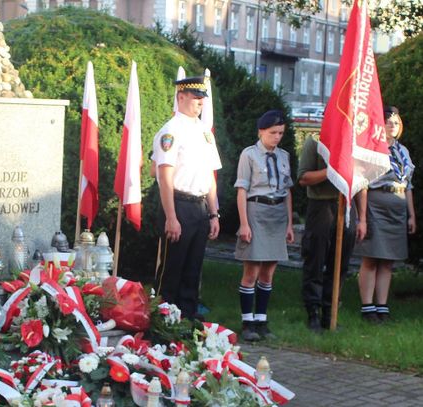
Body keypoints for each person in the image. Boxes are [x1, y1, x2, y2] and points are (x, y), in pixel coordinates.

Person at [153, 76, 222, 320]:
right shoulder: (171, 131)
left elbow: (209, 175)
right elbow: (164, 175)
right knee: (172, 270)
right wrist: (171, 217)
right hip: (179, 204)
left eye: (202, 99)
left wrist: (214, 213)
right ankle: (163, 323)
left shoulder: (205, 132)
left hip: (200, 206)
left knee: (193, 271)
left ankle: (188, 322)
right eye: (196, 98)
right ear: (181, 97)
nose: (200, 103)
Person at [234, 110, 294, 341]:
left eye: (280, 133)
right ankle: (247, 321)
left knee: (268, 271)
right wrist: (244, 224)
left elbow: (287, 190)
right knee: (252, 270)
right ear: (261, 131)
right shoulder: (249, 155)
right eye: (272, 133)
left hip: (277, 214)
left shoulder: (284, 156)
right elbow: (242, 190)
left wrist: (289, 223)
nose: (277, 137)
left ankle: (261, 319)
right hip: (256, 211)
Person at [298, 136, 366, 332]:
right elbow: (304, 177)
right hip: (321, 206)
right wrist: (333, 170)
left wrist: (362, 218)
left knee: (340, 264)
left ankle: (330, 313)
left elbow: (361, 184)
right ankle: (313, 313)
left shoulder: (353, 143)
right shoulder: (315, 142)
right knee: (316, 260)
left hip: (346, 206)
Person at [356, 106, 416, 323]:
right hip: (376, 202)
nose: (393, 126)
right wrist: (362, 217)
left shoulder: (404, 151)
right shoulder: (372, 149)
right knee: (371, 256)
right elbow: (363, 183)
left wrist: (412, 215)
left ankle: (382, 306)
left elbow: (408, 184)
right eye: (389, 122)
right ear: (380, 125)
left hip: (398, 205)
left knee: (388, 260)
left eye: (397, 123)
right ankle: (367, 306)